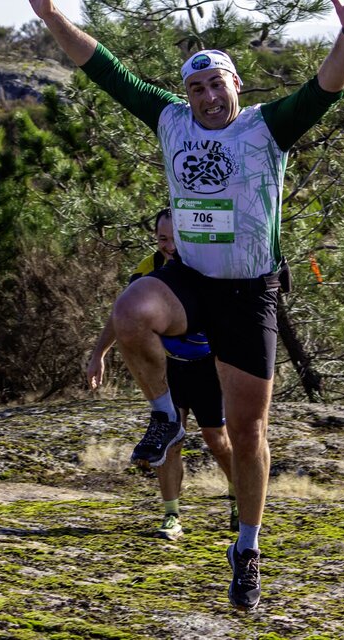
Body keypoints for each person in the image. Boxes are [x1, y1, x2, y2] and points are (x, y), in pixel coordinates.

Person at [28, 0, 344, 610]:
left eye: (216, 84)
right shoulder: (170, 119)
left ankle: (246, 548)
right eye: (196, 88)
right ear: (186, 95)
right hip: (191, 280)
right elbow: (104, 68)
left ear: (235, 85)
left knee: (247, 433)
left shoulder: (267, 127)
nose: (207, 96)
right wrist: (50, 14)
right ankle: (164, 416)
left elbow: (325, 87)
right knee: (131, 312)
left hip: (249, 294)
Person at [87, 207, 238, 540]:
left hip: (208, 367)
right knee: (171, 438)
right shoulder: (150, 268)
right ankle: (172, 516)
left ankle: (238, 495)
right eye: (162, 239)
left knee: (216, 439)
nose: (169, 246)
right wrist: (99, 353)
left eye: (175, 239)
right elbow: (122, 312)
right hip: (171, 367)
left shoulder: (207, 266)